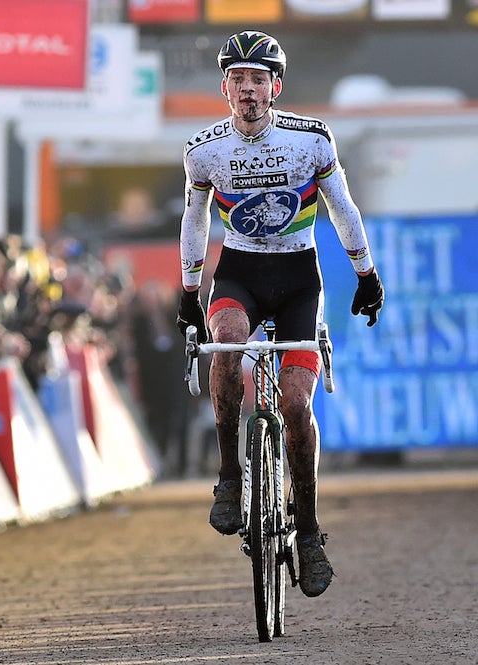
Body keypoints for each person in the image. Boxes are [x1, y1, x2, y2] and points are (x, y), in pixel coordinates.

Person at [175, 31, 385, 599]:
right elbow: (195, 220)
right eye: (238, 79)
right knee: (227, 340)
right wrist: (190, 290)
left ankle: (310, 533)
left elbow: (342, 206)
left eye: (259, 79)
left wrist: (366, 274)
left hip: (297, 279)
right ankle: (228, 477)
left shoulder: (311, 140)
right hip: (239, 274)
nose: (248, 89)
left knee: (296, 405)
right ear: (224, 88)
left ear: (277, 86)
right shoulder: (204, 150)